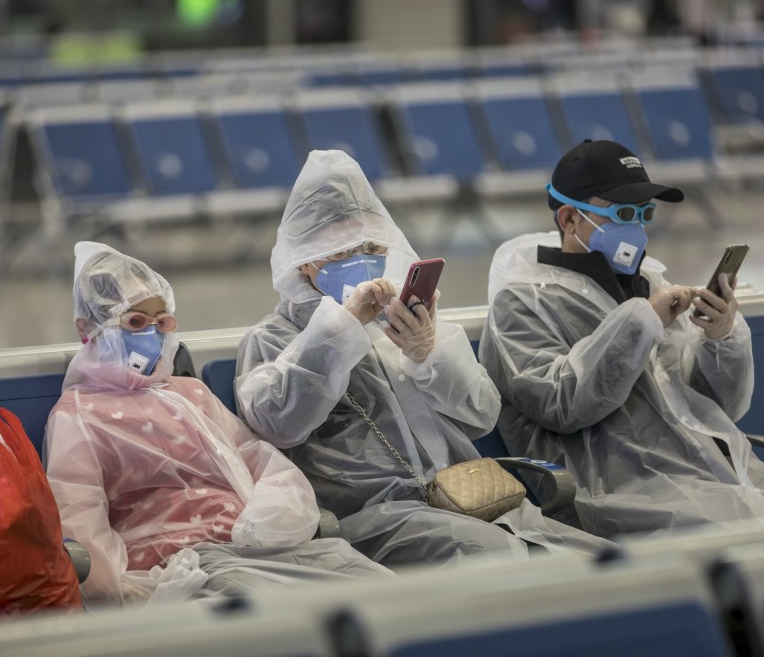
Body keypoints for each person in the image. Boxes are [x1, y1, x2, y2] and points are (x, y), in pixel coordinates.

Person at [235, 149, 612, 570]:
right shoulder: (272, 340)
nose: (361, 261)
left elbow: (482, 414)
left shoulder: (403, 319)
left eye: (372, 246)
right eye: (341, 252)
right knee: (501, 562)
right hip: (374, 518)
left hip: (469, 497)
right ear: (303, 262)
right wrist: (339, 331)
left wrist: (428, 354)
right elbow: (278, 424)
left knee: (600, 562)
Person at [479, 139, 764, 538]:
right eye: (624, 213)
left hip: (718, 469)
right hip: (625, 488)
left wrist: (718, 340)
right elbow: (562, 403)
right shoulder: (523, 302)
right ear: (568, 219)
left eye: (645, 212)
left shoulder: (647, 283)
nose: (637, 226)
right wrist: (641, 321)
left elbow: (712, 407)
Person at [43, 242, 391, 606]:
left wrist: (267, 521)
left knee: (375, 586)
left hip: (255, 546)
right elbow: (80, 521)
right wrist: (126, 591)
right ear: (88, 327)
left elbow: (261, 461)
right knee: (290, 610)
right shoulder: (78, 416)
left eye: (161, 322)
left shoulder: (191, 393)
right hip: (185, 562)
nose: (152, 334)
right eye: (134, 322)